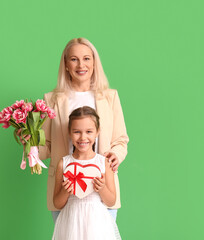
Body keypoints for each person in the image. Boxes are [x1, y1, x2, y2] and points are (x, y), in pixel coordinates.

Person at [24, 37, 128, 221]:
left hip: (102, 189)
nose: (81, 65)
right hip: (65, 191)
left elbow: (120, 139)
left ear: (94, 62)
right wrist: (28, 143)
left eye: (87, 58)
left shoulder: (110, 97)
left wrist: (115, 155)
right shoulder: (52, 100)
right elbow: (47, 146)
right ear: (65, 64)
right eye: (74, 59)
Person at [52, 106, 121, 240]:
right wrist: (65, 191)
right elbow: (57, 203)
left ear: (97, 132)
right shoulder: (64, 164)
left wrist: (102, 188)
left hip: (97, 222)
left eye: (89, 131)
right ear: (69, 132)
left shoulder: (103, 163)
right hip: (71, 220)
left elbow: (111, 201)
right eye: (77, 131)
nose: (83, 137)